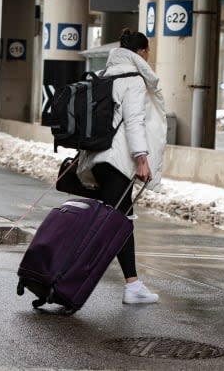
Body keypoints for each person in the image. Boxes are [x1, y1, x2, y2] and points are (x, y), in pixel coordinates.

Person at [77, 28, 167, 304]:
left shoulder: (104, 76)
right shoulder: (133, 80)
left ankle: (132, 284)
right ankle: (73, 275)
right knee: (118, 223)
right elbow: (134, 121)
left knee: (117, 221)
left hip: (99, 158)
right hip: (117, 161)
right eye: (148, 52)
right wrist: (142, 158)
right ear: (141, 53)